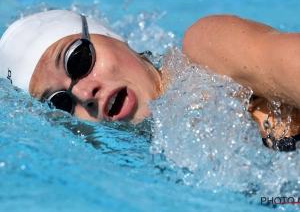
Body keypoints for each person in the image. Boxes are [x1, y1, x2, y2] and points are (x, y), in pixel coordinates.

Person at [0, 10, 299, 151]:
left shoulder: (207, 51)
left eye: (77, 59)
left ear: (112, 37)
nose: (83, 92)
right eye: (61, 102)